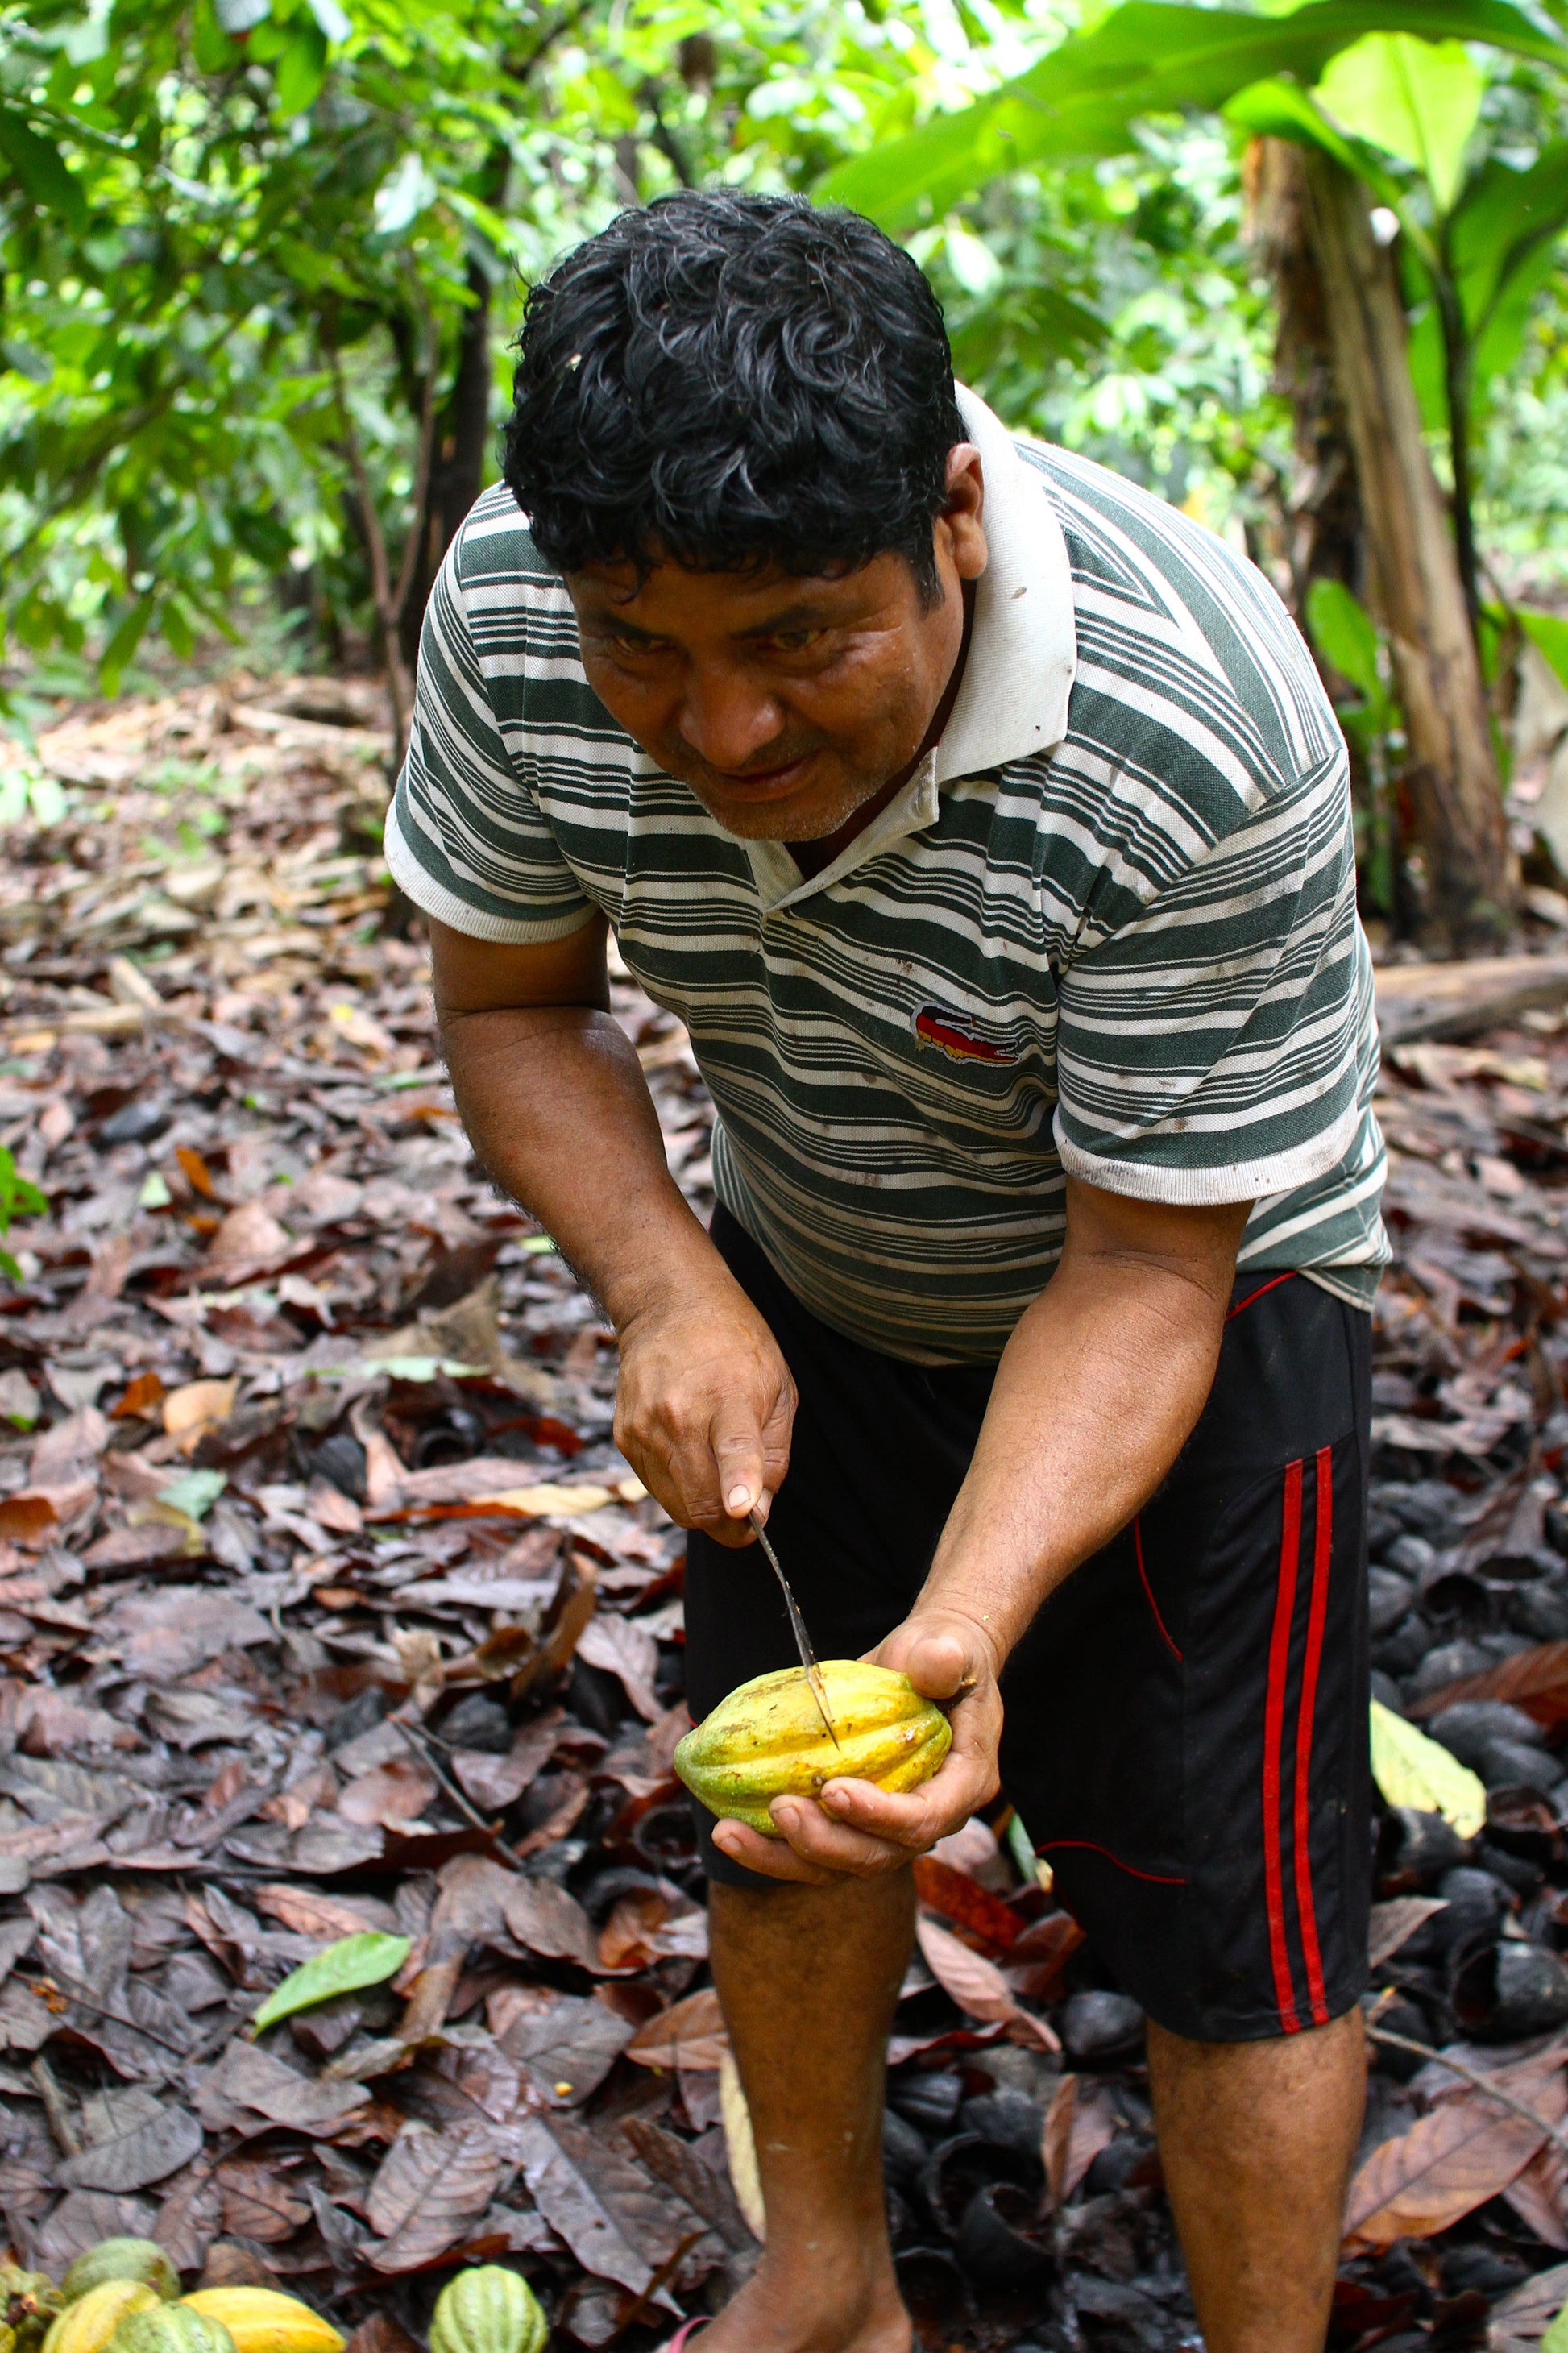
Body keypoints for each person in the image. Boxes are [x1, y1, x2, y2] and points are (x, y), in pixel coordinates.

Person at [388, 189, 1387, 2353]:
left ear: (949, 516)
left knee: (1241, 1912)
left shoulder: (1186, 729)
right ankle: (829, 2276)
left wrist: (961, 1624)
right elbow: (514, 1004)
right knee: (786, 1799)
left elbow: (1141, 1259)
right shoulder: (508, 604)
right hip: (813, 1247)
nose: (719, 734)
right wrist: (667, 1285)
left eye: (796, 642)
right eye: (643, 649)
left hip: (1195, 1293)